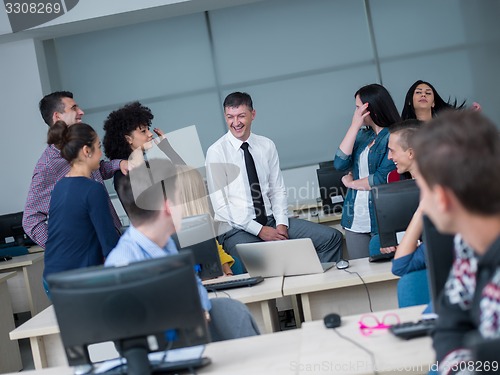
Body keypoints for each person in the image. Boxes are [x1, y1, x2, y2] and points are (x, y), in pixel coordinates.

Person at [104, 157, 260, 342]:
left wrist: (201, 311)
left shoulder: (166, 243)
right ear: (169, 207)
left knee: (233, 312)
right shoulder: (122, 262)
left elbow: (195, 287)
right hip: (163, 353)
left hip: (191, 335)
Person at [205, 92, 342, 264]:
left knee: (331, 238)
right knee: (266, 261)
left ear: (252, 115)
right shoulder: (216, 152)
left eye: (241, 116)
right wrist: (260, 230)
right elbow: (222, 207)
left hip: (271, 219)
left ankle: (314, 286)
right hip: (236, 229)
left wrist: (282, 224)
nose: (236, 122)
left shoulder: (266, 145)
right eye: (230, 117)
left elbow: (277, 190)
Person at [411, 110, 500, 373]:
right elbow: (450, 324)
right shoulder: (468, 243)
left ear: (442, 198)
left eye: (421, 190)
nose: (421, 203)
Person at [23, 91, 124, 248]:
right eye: (74, 108)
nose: (81, 112)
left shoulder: (80, 147)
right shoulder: (48, 166)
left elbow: (97, 171)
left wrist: (119, 164)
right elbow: (31, 220)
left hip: (113, 238)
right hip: (91, 253)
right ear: (57, 117)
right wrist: (61, 248)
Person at [43, 122, 120, 288]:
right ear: (86, 151)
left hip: (53, 278)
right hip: (79, 280)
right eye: (98, 147)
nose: (101, 153)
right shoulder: (93, 189)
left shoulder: (60, 186)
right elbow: (110, 245)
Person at [333, 84, 400, 259]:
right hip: (354, 218)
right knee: (361, 276)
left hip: (381, 218)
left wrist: (351, 183)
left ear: (369, 107)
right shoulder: (363, 136)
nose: (355, 112)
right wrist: (354, 127)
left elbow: (381, 179)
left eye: (358, 107)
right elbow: (340, 163)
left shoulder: (393, 136)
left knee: (383, 273)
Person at [103, 101, 185, 211]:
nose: (150, 134)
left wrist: (167, 148)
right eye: (143, 131)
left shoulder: (148, 166)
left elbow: (187, 177)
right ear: (128, 139)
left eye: (148, 129)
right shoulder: (124, 175)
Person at [368, 120, 426, 272]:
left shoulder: (439, 189)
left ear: (411, 153)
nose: (388, 157)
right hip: (408, 255)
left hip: (427, 256)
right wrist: (391, 242)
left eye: (392, 151)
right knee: (376, 243)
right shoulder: (398, 185)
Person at [175, 165, 244, 276]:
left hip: (208, 277)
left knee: (235, 263)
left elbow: (215, 250)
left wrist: (228, 274)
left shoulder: (200, 225)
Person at [401, 80, 480, 122]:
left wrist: (471, 118)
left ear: (433, 103)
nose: (423, 95)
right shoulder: (403, 130)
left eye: (428, 93)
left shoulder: (443, 128)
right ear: (409, 101)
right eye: (418, 92)